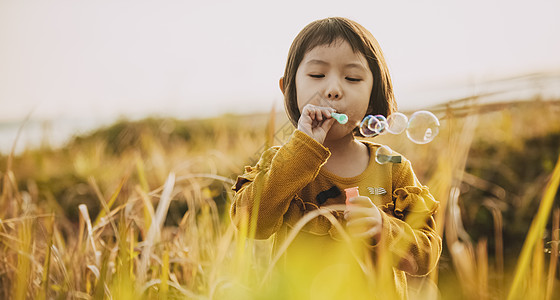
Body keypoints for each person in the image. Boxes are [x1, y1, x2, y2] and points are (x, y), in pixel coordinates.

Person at [230, 17, 441, 299]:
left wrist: (383, 227)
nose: (333, 89)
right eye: (317, 75)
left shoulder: (393, 168)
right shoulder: (281, 163)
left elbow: (426, 256)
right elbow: (251, 224)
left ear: (373, 92)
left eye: (352, 78)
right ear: (288, 88)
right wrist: (303, 149)